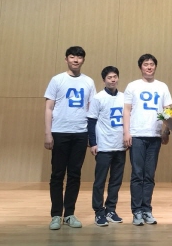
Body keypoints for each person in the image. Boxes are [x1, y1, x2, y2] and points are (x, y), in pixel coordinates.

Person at [44, 46, 96, 230]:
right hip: (60, 132)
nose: (75, 60)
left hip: (80, 133)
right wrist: (48, 133)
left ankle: (69, 214)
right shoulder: (57, 80)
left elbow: (92, 110)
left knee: (74, 174)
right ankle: (56, 215)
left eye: (79, 57)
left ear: (83, 60)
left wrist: (92, 136)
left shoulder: (89, 82)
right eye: (72, 57)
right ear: (66, 59)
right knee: (57, 174)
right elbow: (49, 108)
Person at [123, 53, 172, 226]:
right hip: (136, 135)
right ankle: (136, 211)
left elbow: (168, 111)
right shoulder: (133, 86)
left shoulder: (162, 86)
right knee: (137, 175)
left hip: (155, 136)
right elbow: (126, 110)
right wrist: (126, 132)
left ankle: (147, 210)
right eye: (145, 64)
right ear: (140, 67)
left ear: (155, 67)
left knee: (149, 175)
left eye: (152, 64)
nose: (149, 67)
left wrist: (166, 131)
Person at [87, 66, 126, 227]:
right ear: (104, 80)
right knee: (100, 181)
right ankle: (98, 211)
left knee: (116, 181)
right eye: (109, 77)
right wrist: (93, 143)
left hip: (120, 146)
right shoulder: (98, 98)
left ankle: (111, 210)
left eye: (115, 76)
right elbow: (91, 121)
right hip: (103, 146)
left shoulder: (124, 97)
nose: (112, 80)